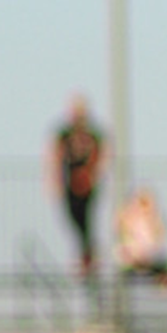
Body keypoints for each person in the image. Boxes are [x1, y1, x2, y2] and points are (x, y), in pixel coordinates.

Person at [48, 94, 108, 277]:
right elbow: (54, 155)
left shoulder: (94, 134)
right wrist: (54, 179)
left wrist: (93, 175)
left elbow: (103, 153)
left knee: (86, 219)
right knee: (72, 217)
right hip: (70, 184)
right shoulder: (64, 133)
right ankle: (87, 253)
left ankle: (88, 256)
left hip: (87, 185)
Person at [113, 185, 167, 283]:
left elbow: (158, 239)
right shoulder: (127, 217)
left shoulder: (155, 219)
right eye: (141, 202)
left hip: (150, 258)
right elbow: (121, 234)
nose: (144, 206)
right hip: (131, 258)